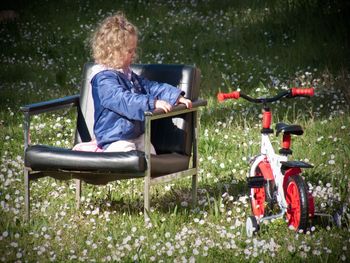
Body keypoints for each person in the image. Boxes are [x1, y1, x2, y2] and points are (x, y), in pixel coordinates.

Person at [88, 12, 192, 154]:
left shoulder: (127, 75)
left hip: (136, 135)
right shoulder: (103, 80)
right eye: (130, 51)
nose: (134, 54)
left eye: (134, 50)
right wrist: (152, 103)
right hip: (114, 137)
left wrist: (174, 96)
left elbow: (150, 87)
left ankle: (151, 170)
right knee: (126, 156)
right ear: (112, 51)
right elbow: (124, 100)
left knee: (151, 154)